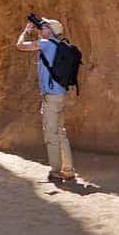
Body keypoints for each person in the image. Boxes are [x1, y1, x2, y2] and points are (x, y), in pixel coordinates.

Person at [16, 16, 76, 180]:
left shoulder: (46, 44)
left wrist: (26, 31)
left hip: (51, 97)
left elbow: (19, 46)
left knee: (51, 135)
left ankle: (56, 172)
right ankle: (68, 170)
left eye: (45, 26)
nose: (41, 28)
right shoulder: (58, 46)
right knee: (60, 133)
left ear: (52, 31)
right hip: (60, 95)